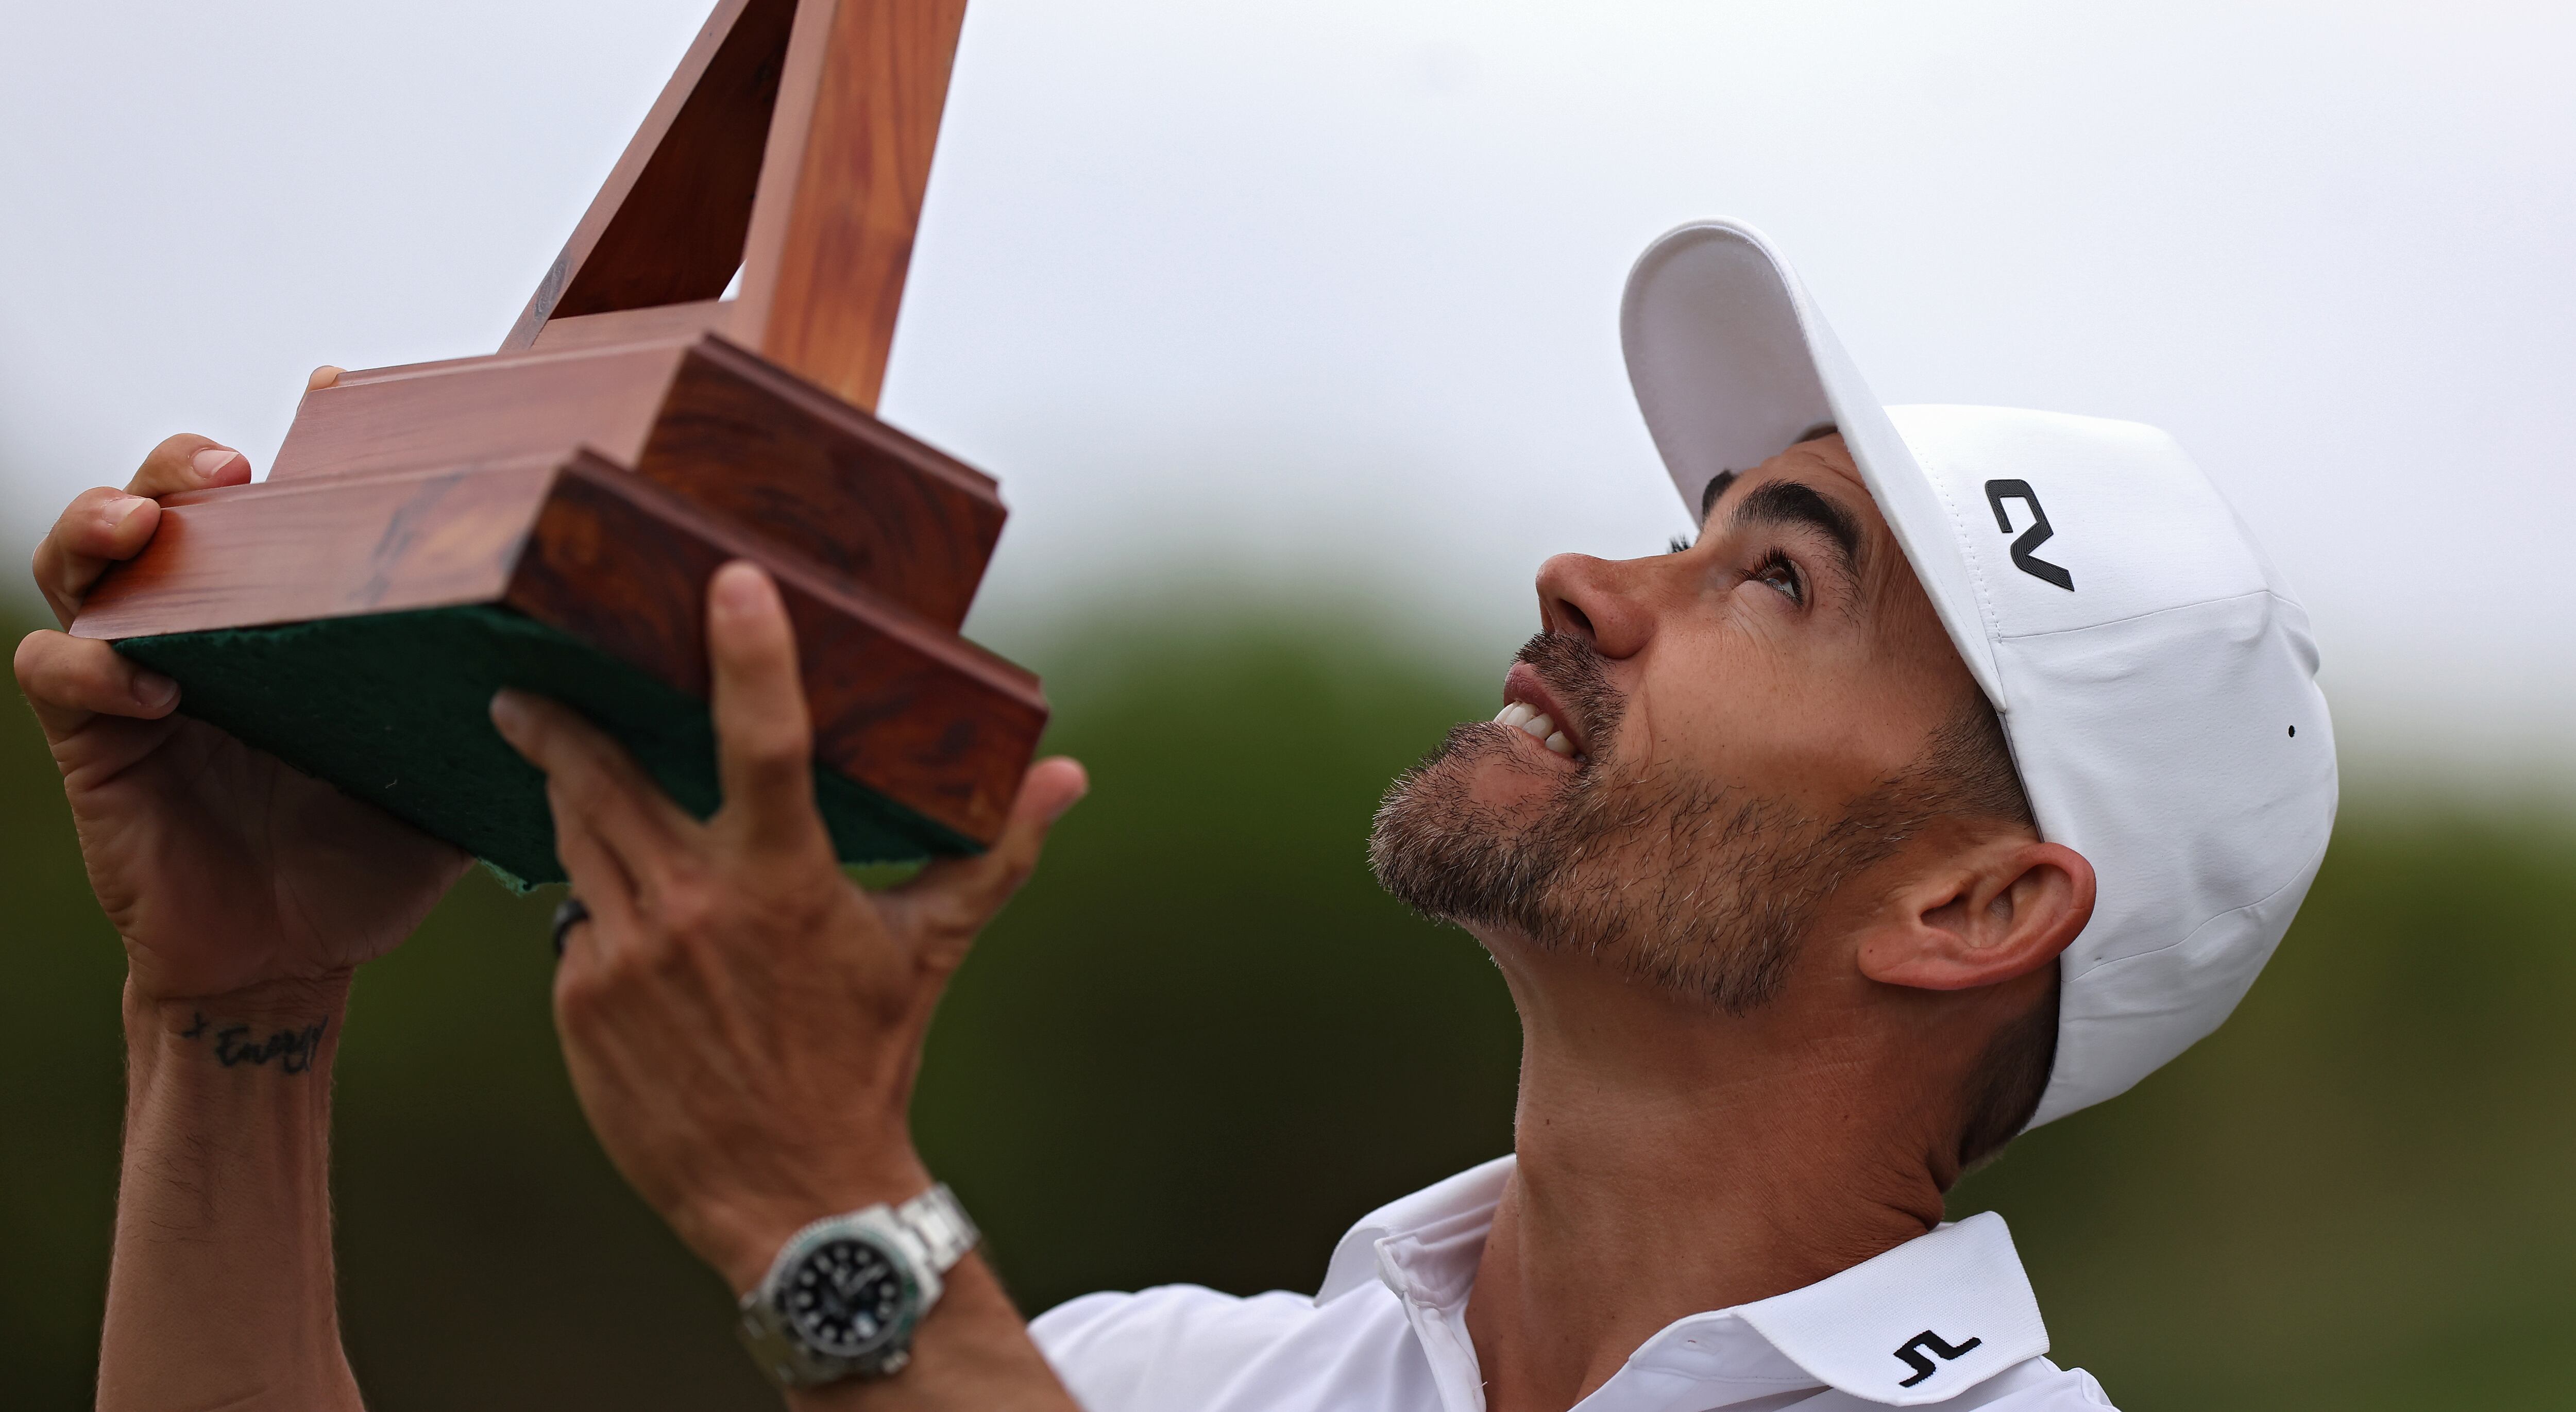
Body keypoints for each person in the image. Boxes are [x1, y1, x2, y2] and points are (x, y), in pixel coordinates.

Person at [16, 221, 2334, 1411]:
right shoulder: (1142, 1379)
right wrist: (240, 1016)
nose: (1589, 577)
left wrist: (829, 1220)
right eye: (1688, 516)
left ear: (1973, 898)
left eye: (1770, 577)